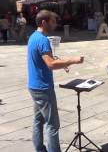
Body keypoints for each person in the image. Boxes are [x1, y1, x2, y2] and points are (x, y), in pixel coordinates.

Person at [28, 10, 84, 152]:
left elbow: (46, 60)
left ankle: (40, 149)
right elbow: (50, 64)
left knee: (38, 120)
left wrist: (63, 63)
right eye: (53, 21)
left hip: (34, 86)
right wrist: (73, 60)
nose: (55, 23)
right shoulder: (42, 40)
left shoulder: (33, 37)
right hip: (43, 88)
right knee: (52, 124)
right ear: (44, 22)